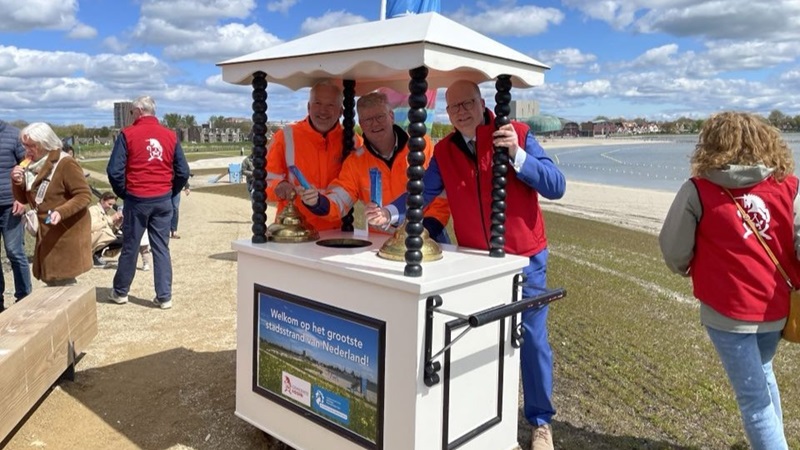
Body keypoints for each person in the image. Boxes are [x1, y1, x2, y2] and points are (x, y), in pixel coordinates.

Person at [365, 80, 566, 450]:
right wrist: (390, 212)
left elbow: (556, 185)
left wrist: (519, 157)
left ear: (482, 102)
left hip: (526, 258)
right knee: (481, 340)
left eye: (467, 103)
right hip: (477, 263)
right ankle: (482, 415)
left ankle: (540, 423)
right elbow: (422, 191)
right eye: (453, 106)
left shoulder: (515, 133)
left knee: (533, 342)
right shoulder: (444, 150)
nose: (461, 111)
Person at [659, 111, 794, 450]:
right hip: (775, 308)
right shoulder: (788, 186)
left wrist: (686, 266)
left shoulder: (698, 189)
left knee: (754, 402)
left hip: (727, 313)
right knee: (762, 377)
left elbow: (674, 249)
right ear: (765, 142)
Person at [298, 91, 450, 241]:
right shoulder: (356, 162)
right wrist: (318, 201)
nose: (374, 124)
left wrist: (426, 230)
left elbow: (439, 197)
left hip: (428, 236)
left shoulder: (422, 147)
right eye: (367, 120)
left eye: (379, 117)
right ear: (361, 124)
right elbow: (340, 199)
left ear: (391, 116)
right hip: (380, 244)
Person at [106, 95, 190, 309]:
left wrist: (124, 192)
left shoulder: (127, 134)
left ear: (138, 111)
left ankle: (121, 291)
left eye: (132, 113)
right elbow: (183, 171)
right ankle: (164, 296)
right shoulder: (170, 136)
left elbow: (114, 171)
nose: (131, 116)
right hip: (162, 198)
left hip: (137, 197)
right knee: (161, 247)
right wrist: (171, 191)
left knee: (131, 245)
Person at [265, 80, 362, 231]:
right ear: (308, 107)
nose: (323, 111)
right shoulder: (285, 137)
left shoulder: (353, 141)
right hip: (293, 230)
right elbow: (265, 180)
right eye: (317, 103)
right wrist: (279, 186)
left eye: (330, 105)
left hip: (335, 232)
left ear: (341, 111)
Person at [10, 123, 92, 286]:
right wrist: (16, 182)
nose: (27, 150)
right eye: (24, 145)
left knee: (63, 280)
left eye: (31, 146)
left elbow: (84, 195)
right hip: (46, 231)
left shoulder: (65, 163)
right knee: (51, 279)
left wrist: (61, 212)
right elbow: (25, 200)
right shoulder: (31, 165)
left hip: (65, 231)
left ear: (45, 144)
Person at [0, 120, 32, 310]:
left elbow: (27, 164)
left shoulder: (14, 135)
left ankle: (24, 298)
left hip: (10, 204)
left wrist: (22, 198)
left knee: (14, 251)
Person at [89, 191, 123, 267]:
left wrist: (117, 224)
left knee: (123, 238)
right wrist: (111, 219)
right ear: (102, 200)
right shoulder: (93, 210)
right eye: (109, 204)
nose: (111, 207)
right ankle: (95, 255)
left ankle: (98, 254)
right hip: (91, 238)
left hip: (99, 237)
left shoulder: (106, 213)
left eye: (112, 205)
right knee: (111, 235)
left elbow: (111, 233)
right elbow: (92, 227)